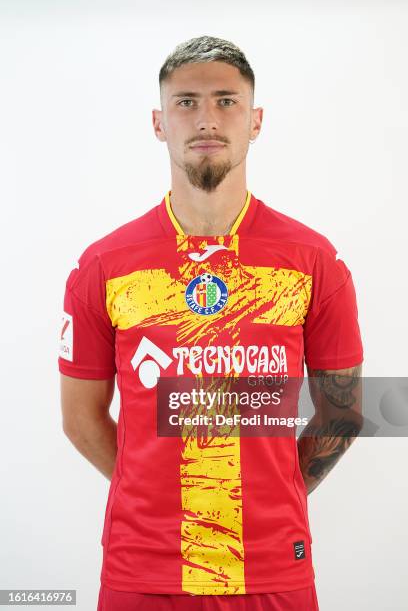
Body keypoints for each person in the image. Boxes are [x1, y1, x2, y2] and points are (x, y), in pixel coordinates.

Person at [58, 36, 363, 611]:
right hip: (142, 567)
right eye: (185, 102)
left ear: (256, 121)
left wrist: (279, 491)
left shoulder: (313, 261)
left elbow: (343, 409)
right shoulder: (105, 265)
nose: (206, 119)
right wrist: (149, 490)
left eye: (226, 101)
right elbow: (80, 419)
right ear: (158, 121)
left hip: (273, 565)